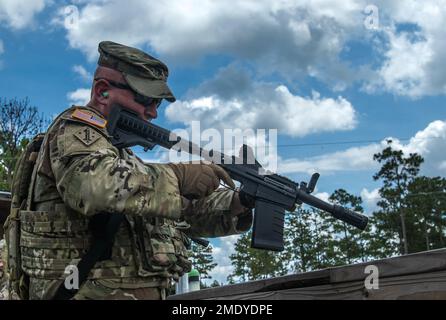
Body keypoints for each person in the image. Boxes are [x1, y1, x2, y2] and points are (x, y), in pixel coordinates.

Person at [4, 41, 253, 300]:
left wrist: (241, 201)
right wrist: (177, 177)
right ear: (102, 92)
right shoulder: (74, 131)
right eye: (145, 99)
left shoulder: (123, 159)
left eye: (157, 103)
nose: (153, 112)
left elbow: (181, 218)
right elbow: (94, 187)